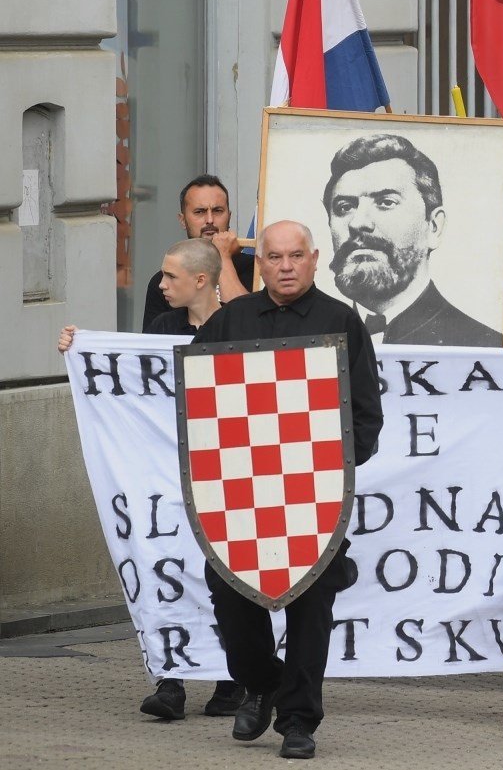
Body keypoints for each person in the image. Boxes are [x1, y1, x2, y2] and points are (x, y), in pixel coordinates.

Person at [193, 221, 383, 760]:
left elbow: (365, 418)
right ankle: (261, 683)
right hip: (238, 503)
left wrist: (328, 466)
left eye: (295, 255)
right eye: (274, 257)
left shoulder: (340, 322)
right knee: (231, 599)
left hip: (312, 501)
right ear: (262, 264)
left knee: (309, 611)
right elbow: (196, 402)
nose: (285, 266)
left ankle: (299, 720)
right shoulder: (231, 320)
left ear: (315, 259)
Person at [59, 238, 246, 722]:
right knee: (164, 567)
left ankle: (231, 679)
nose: (160, 285)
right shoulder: (163, 328)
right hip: (162, 476)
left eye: (170, 277)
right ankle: (171, 679)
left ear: (201, 280)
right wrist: (81, 348)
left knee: (225, 577)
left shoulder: (239, 328)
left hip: (226, 475)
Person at [322, 133, 501, 346]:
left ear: (434, 226)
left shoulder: (481, 344)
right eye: (345, 207)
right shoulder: (313, 340)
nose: (358, 223)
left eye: (385, 202)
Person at [142, 174, 254, 329]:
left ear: (229, 216)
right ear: (182, 220)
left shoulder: (255, 269)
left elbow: (247, 327)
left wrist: (223, 257)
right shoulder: (162, 282)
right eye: (200, 212)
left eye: (218, 210)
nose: (209, 220)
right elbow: (152, 348)